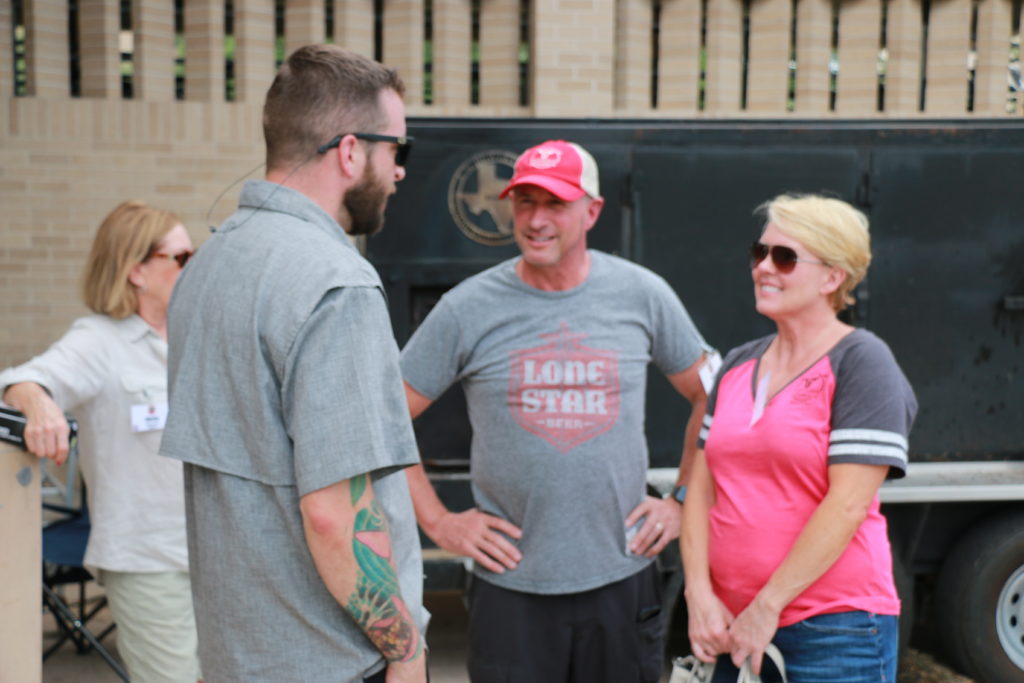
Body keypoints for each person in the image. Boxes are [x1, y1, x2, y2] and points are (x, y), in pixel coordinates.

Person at [158, 44, 427, 683]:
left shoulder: (210, 264)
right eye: (398, 150)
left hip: (237, 658)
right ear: (350, 150)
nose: (400, 172)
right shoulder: (337, 285)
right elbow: (336, 513)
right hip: (332, 664)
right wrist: (406, 650)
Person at [400, 140, 712, 683]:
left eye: (555, 204)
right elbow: (384, 416)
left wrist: (682, 499)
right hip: (511, 589)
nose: (536, 220)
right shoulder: (468, 307)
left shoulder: (641, 294)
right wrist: (439, 522)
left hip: (621, 578)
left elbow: (713, 394)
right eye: (524, 202)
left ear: (591, 211)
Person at [681, 194, 917, 682]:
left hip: (834, 629)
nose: (764, 267)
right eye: (759, 253)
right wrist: (698, 595)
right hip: (732, 624)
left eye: (784, 258)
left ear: (833, 278)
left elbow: (847, 505)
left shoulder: (862, 362)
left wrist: (766, 607)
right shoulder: (737, 364)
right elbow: (700, 491)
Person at [0, 200, 202, 682]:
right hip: (148, 559)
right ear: (136, 271)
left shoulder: (195, 337)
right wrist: (39, 403)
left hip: (218, 555)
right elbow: (22, 379)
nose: (194, 267)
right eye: (181, 258)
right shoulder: (99, 341)